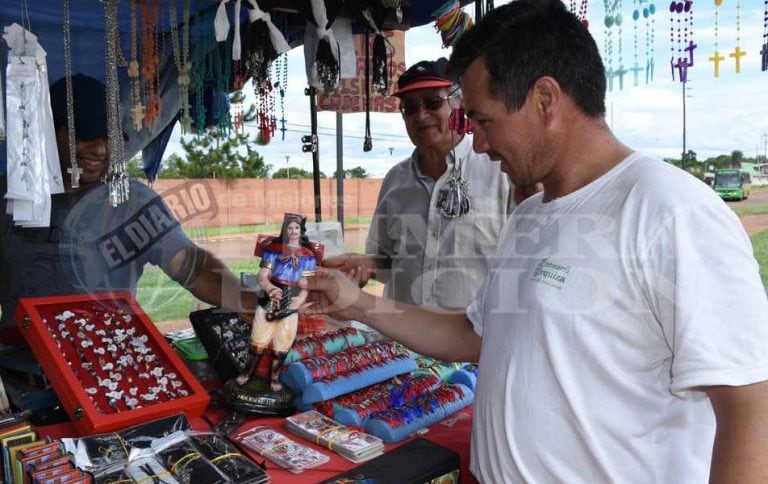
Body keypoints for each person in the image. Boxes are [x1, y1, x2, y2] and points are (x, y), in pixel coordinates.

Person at [303, 1, 768, 482]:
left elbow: (750, 407)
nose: (478, 144)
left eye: (484, 121)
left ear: (545, 100)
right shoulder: (528, 216)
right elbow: (474, 335)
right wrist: (357, 304)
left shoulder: (669, 211)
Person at [0, 74, 254, 326]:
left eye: (108, 138)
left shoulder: (132, 201)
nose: (99, 149)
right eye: (85, 135)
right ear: (50, 132)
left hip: (108, 359)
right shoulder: (9, 196)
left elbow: (190, 264)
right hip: (20, 361)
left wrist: (247, 300)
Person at [323, 58, 513, 310]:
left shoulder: (500, 172)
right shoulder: (395, 181)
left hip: (474, 343)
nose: (421, 115)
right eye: (409, 108)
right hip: (402, 342)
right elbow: (386, 259)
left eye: (433, 102)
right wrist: (365, 266)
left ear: (460, 103)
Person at [237, 212, 317, 391]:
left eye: (297, 227)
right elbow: (262, 276)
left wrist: (302, 298)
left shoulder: (308, 255)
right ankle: (247, 373)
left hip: (292, 298)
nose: (293, 231)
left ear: (301, 230)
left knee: (283, 343)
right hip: (271, 297)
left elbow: (307, 283)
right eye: (290, 227)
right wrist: (269, 288)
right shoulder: (273, 250)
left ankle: (274, 377)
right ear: (284, 229)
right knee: (258, 340)